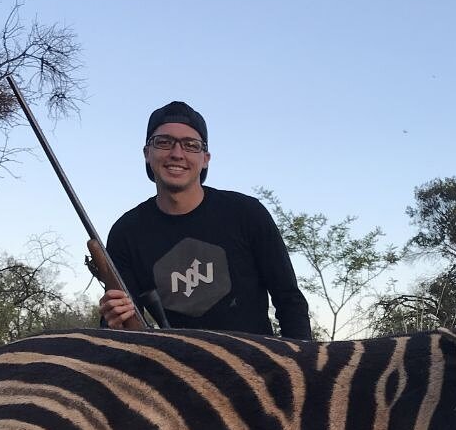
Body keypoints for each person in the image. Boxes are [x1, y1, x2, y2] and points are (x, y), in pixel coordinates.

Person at [99, 101, 312, 339]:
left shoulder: (247, 213)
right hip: (174, 369)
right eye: (164, 142)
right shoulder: (125, 233)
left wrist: (302, 369)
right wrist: (113, 320)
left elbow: (289, 300)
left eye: (190, 145)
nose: (177, 154)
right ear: (147, 153)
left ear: (205, 159)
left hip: (256, 370)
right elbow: (120, 327)